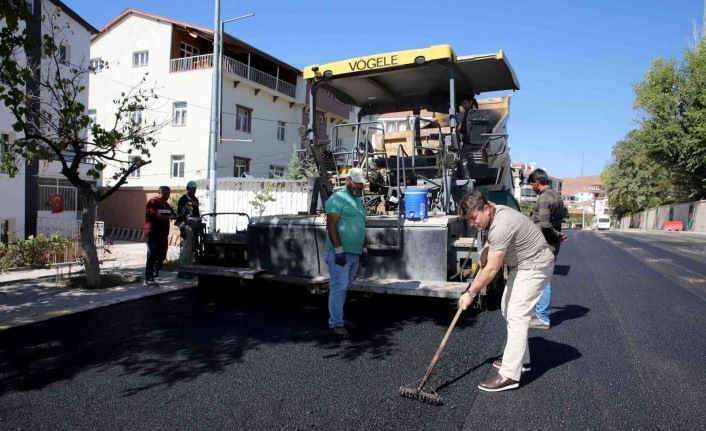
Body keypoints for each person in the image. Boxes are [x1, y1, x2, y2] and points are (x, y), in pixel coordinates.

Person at [458, 190, 554, 392]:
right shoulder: (491, 211)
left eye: (473, 218)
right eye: (468, 220)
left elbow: (492, 269)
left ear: (485, 209)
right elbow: (490, 234)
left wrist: (470, 293)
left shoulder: (501, 224)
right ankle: (522, 361)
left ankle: (510, 374)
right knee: (507, 308)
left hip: (535, 264)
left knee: (517, 314)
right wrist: (485, 248)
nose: (471, 224)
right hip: (522, 264)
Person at [324, 167, 368, 339]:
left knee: (344, 287)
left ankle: (339, 319)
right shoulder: (337, 198)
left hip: (354, 253)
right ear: (347, 181)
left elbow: (361, 227)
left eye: (361, 184)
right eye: (356, 182)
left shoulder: (358, 202)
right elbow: (331, 225)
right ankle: (335, 325)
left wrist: (364, 248)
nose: (359, 186)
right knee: (338, 288)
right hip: (340, 253)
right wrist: (338, 249)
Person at [527, 168, 568, 329]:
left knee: (543, 281)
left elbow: (544, 225)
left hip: (543, 245)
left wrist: (557, 235)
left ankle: (542, 317)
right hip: (551, 245)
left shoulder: (544, 198)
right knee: (542, 279)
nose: (532, 188)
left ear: (537, 182)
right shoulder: (557, 196)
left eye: (531, 184)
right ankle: (539, 314)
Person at [144, 186, 176, 286]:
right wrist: (169, 217)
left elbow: (173, 214)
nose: (167, 196)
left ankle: (155, 273)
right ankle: (148, 278)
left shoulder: (166, 204)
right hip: (153, 233)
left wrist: (177, 216)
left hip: (163, 234)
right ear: (159, 193)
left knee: (162, 255)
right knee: (152, 254)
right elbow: (156, 215)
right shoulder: (153, 202)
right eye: (165, 193)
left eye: (168, 194)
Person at [176, 180, 201, 279]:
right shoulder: (183, 199)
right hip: (187, 226)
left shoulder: (195, 199)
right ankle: (182, 271)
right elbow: (180, 215)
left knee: (192, 249)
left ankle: (189, 270)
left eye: (194, 188)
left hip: (195, 226)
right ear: (187, 189)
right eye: (191, 188)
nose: (193, 190)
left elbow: (196, 213)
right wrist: (182, 229)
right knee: (186, 249)